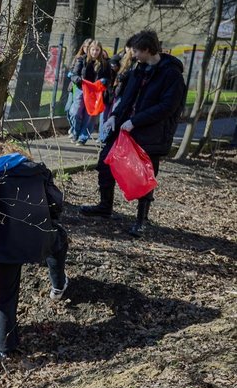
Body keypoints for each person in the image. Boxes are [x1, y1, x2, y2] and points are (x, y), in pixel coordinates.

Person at [0, 142, 69, 360]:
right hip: (39, 235)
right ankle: (58, 285)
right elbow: (56, 202)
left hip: (7, 242)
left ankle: (4, 347)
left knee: (6, 294)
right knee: (58, 244)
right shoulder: (38, 171)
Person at [80, 30, 186, 237]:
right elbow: (127, 98)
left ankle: (141, 220)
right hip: (124, 128)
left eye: (136, 51)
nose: (132, 54)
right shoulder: (139, 69)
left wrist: (135, 121)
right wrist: (115, 116)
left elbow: (168, 107)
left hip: (151, 134)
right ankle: (105, 206)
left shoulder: (171, 74)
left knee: (144, 175)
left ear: (147, 50)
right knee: (105, 162)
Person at [68, 40, 110, 146]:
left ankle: (82, 138)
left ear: (100, 51)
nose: (95, 52)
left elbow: (108, 78)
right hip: (81, 89)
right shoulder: (81, 60)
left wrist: (104, 81)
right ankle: (75, 132)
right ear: (89, 50)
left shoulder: (105, 63)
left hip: (95, 92)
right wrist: (78, 79)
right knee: (75, 112)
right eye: (93, 49)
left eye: (97, 50)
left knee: (90, 115)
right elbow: (74, 74)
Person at [64, 38, 92, 139]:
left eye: (89, 47)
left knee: (77, 112)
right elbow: (72, 70)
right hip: (73, 87)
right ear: (83, 47)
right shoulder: (78, 58)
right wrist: (71, 74)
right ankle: (73, 127)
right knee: (68, 109)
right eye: (86, 47)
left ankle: (76, 130)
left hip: (84, 88)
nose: (87, 49)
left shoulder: (91, 61)